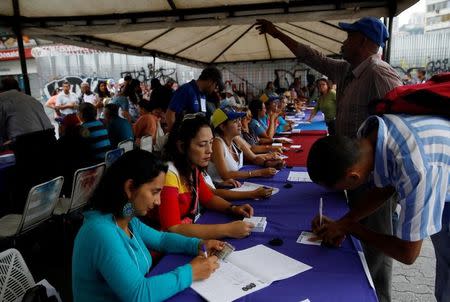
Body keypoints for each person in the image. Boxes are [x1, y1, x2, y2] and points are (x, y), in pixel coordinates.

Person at [256, 17, 403, 301]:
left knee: (377, 239)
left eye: (349, 37)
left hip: (375, 178)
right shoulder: (347, 70)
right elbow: (312, 56)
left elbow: (399, 126)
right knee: (358, 230)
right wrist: (278, 34)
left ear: (363, 42)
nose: (343, 42)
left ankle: (377, 296)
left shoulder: (380, 74)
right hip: (351, 171)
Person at [307, 114, 450, 302]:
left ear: (353, 178)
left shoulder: (415, 170)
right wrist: (344, 222)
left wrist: (352, 228)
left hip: (435, 171)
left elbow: (408, 253)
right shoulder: (368, 135)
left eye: (341, 189)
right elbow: (387, 186)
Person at [72, 149, 222, 302]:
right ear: (130, 188)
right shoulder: (100, 232)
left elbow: (161, 239)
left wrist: (198, 245)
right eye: (154, 192)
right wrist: (191, 272)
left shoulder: (127, 217)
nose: (158, 201)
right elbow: (139, 294)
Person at [158, 114, 255, 239]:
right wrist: (227, 229)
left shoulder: (191, 168)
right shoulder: (169, 175)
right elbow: (172, 228)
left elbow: (208, 199)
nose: (210, 150)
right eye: (202, 145)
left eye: (210, 143)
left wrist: (233, 208)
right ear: (182, 146)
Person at [208, 106, 281, 183]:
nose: (240, 124)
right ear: (222, 127)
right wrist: (259, 172)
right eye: (235, 121)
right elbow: (225, 175)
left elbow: (254, 158)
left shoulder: (236, 139)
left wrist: (268, 162)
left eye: (239, 120)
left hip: (238, 184)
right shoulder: (217, 143)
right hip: (223, 189)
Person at [166, 66, 224, 132]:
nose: (215, 89)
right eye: (216, 86)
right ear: (210, 81)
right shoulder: (186, 89)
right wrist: (174, 136)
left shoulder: (203, 95)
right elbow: (169, 114)